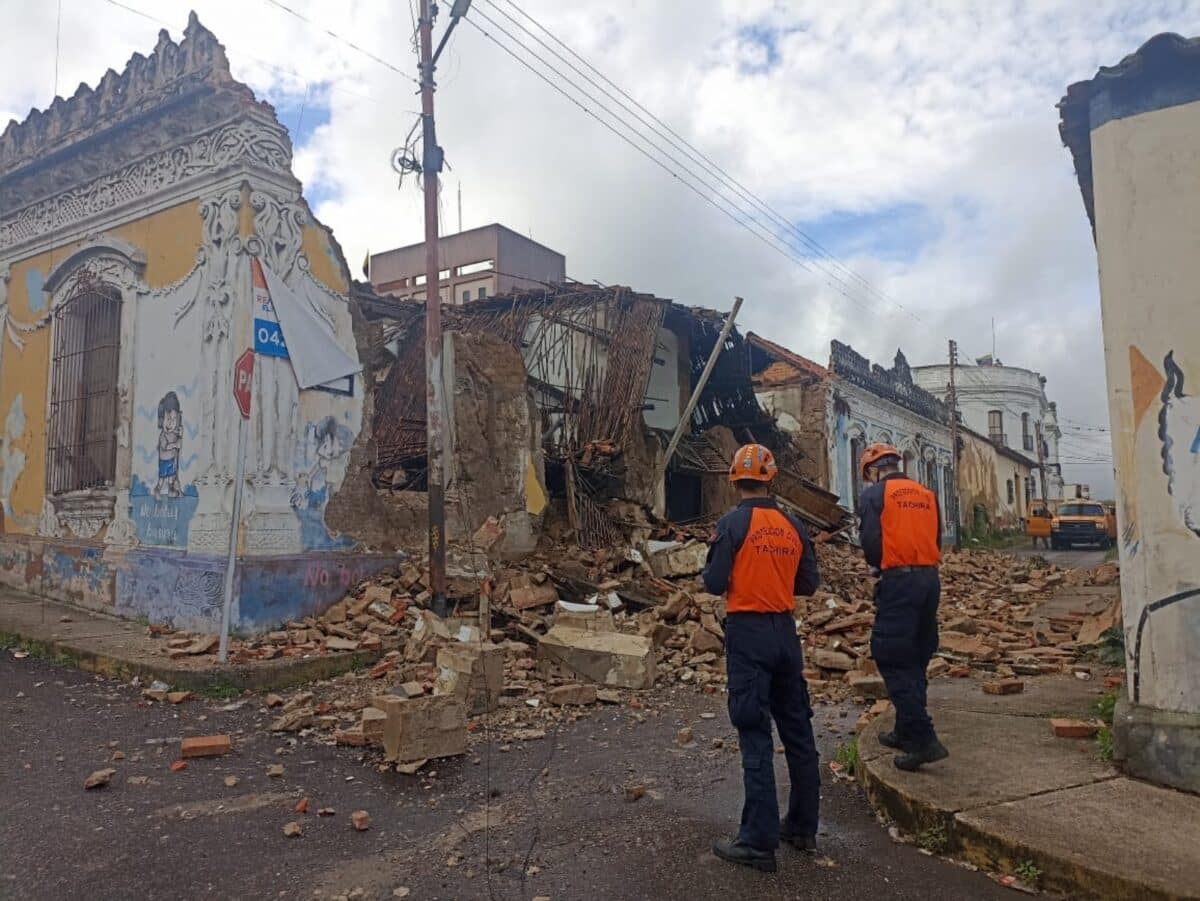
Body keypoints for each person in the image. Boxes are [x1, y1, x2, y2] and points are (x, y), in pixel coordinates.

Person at [702, 443, 821, 873]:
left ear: (735, 480)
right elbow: (809, 583)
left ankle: (757, 841)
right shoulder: (793, 526)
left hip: (748, 635)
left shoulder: (732, 524)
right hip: (785, 635)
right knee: (798, 732)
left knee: (754, 731)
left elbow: (714, 583)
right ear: (771, 479)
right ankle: (803, 828)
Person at [857, 444, 949, 772]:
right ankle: (905, 730)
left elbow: (870, 542)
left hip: (899, 580)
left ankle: (924, 740)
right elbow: (936, 539)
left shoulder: (874, 496)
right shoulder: (926, 493)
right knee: (917, 654)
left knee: (892, 655)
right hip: (929, 580)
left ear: (872, 470)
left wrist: (878, 568)